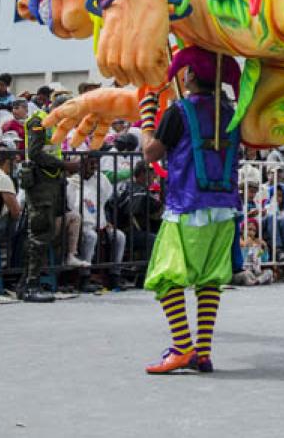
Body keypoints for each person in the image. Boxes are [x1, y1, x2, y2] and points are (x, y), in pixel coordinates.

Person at [142, 47, 242, 375]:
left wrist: (146, 119)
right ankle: (203, 352)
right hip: (225, 210)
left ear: (191, 76)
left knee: (165, 277)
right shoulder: (232, 113)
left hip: (187, 208)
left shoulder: (179, 111)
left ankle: (183, 348)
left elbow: (150, 153)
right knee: (209, 282)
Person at [20, 101, 84, 302]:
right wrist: (65, 165)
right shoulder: (38, 122)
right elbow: (36, 153)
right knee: (39, 232)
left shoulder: (56, 124)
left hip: (51, 181)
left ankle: (27, 283)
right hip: (39, 183)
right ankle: (31, 285)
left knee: (46, 232)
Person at [66, 154, 125, 288]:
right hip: (83, 224)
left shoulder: (100, 179)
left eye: (95, 163)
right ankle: (84, 277)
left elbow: (105, 201)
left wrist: (105, 222)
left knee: (119, 236)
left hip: (100, 221)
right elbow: (71, 204)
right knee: (91, 237)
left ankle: (115, 276)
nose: (94, 166)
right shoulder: (73, 182)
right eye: (90, 163)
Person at [0, 145, 21, 244]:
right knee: (23, 228)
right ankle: (15, 258)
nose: (15, 165)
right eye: (14, 162)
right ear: (8, 162)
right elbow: (15, 211)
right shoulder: (3, 178)